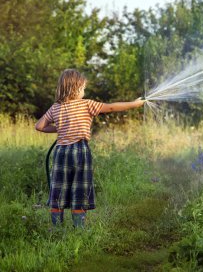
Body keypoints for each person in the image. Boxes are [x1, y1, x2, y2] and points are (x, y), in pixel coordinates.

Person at [35, 69, 144, 228]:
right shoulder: (87, 104)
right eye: (83, 88)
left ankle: (56, 228)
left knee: (59, 187)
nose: (84, 92)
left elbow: (39, 126)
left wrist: (61, 127)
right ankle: (79, 228)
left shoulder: (55, 107)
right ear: (76, 88)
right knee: (80, 188)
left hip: (61, 153)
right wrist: (134, 104)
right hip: (80, 151)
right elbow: (111, 108)